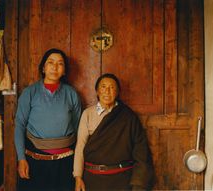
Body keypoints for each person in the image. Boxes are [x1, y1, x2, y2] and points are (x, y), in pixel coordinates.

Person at [14, 48, 82, 191]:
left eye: (60, 63)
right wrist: (21, 159)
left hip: (65, 164)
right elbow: (19, 125)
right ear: (43, 68)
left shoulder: (71, 94)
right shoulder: (30, 92)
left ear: (64, 71)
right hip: (35, 162)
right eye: (50, 62)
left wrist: (78, 169)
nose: (55, 67)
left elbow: (78, 129)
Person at [73, 73, 155, 191]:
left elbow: (141, 152)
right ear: (97, 91)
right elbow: (80, 146)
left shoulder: (128, 116)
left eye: (112, 88)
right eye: (103, 87)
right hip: (92, 179)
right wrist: (78, 177)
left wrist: (139, 184)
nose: (107, 91)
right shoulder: (88, 114)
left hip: (121, 180)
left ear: (117, 93)